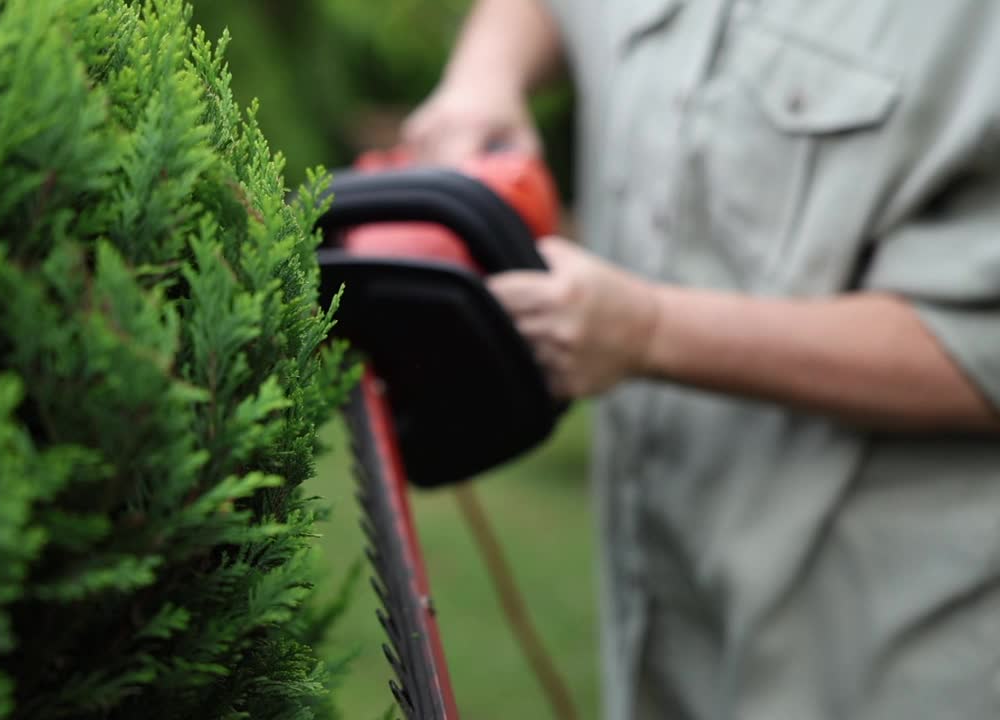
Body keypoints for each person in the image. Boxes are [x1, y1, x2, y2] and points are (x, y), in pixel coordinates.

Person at [402, 1, 1000, 718]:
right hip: (654, 612)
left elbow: (981, 346)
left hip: (881, 653)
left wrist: (653, 332)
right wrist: (483, 79)